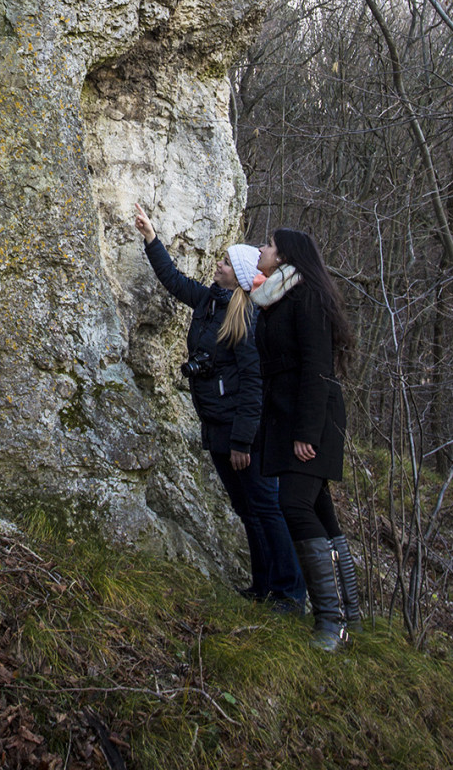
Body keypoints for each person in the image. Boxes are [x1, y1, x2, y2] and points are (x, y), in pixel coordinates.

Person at [133, 204, 305, 611]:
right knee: (248, 510)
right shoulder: (210, 301)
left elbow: (253, 387)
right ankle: (264, 586)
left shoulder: (245, 321)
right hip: (217, 425)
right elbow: (174, 281)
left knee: (266, 508)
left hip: (241, 432)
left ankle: (290, 592)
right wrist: (151, 238)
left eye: (225, 262)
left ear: (240, 275)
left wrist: (244, 441)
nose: (218, 264)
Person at [252, 227, 362, 652]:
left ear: (284, 257)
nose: (262, 249)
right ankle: (348, 617)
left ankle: (331, 626)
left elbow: (319, 369)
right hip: (288, 415)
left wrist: (305, 433)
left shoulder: (307, 296)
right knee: (320, 511)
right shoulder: (278, 297)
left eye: (269, 245)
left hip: (311, 420)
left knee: (293, 504)